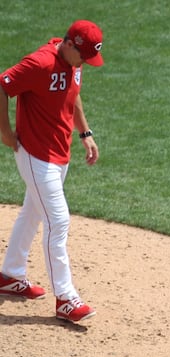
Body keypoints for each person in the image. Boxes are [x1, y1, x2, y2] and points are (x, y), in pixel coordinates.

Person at [0, 20, 104, 323]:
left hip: (60, 153)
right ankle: (66, 299)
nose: (84, 62)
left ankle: (9, 274)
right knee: (58, 222)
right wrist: (5, 132)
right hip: (36, 156)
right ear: (70, 44)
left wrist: (85, 133)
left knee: (32, 212)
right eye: (82, 55)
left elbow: (73, 92)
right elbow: (2, 85)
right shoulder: (40, 63)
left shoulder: (75, 62)